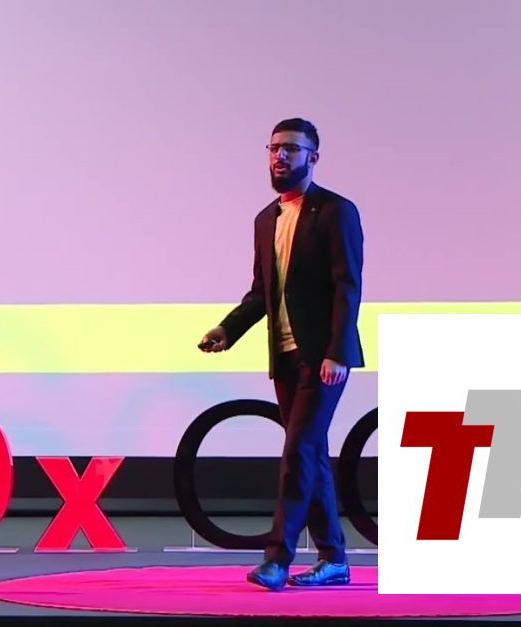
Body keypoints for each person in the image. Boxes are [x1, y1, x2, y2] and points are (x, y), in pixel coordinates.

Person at [199, 118, 364, 591]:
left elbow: (347, 287)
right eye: (274, 148)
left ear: (313, 157)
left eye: (291, 148)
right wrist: (228, 329)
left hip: (324, 358)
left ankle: (277, 560)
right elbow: (261, 293)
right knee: (311, 455)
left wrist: (337, 352)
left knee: (297, 452)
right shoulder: (265, 219)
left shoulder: (335, 211)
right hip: (286, 357)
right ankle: (334, 558)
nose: (280, 156)